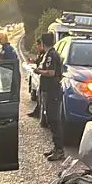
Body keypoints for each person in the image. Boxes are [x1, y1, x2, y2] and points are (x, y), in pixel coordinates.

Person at [35, 30, 65, 161]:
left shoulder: (52, 55)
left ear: (43, 42)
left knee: (54, 120)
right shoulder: (49, 54)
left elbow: (51, 72)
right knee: (51, 120)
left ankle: (59, 150)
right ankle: (56, 147)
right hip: (50, 90)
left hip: (53, 91)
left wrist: (38, 71)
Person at [27, 39, 45, 122]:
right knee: (39, 94)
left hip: (43, 75)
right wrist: (32, 61)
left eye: (38, 45)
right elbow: (38, 62)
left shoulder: (45, 54)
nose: (37, 47)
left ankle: (38, 112)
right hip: (40, 75)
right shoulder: (40, 53)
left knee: (41, 95)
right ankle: (37, 112)